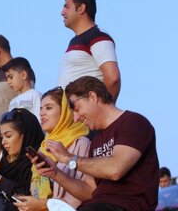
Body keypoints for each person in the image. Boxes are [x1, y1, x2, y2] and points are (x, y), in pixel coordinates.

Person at [34, 76, 159, 210]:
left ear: (93, 97)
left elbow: (115, 169)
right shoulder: (96, 141)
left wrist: (69, 159)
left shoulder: (133, 122)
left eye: (76, 109)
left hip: (126, 206)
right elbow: (90, 192)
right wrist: (55, 173)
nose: (76, 118)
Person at [14, 87, 90, 210]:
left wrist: (45, 205)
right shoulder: (44, 148)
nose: (42, 113)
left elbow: (86, 193)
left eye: (49, 108)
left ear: (65, 111)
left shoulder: (81, 144)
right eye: (41, 109)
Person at [0, 108, 45, 211]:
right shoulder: (5, 164)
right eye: (2, 137)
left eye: (8, 136)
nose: (4, 142)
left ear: (24, 135)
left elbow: (25, 197)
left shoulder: (37, 161)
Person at [57, 0, 121, 103]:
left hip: (86, 117)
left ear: (81, 8)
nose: (62, 12)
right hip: (72, 116)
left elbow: (113, 78)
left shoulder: (97, 36)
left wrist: (103, 111)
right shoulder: (75, 41)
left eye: (67, 7)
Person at [1, 57, 41, 121]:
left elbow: (39, 120)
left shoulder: (35, 95)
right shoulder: (12, 102)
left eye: (11, 77)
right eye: (7, 79)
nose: (8, 82)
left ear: (23, 75)